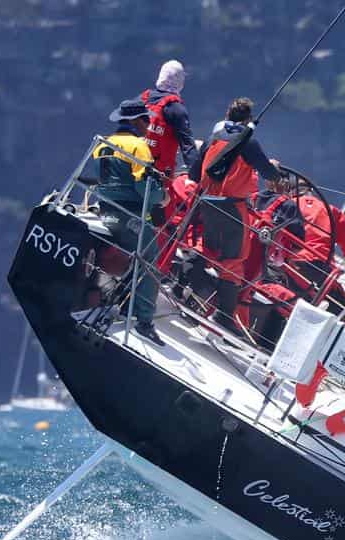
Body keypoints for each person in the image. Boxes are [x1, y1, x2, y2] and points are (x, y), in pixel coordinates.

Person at [199, 97, 282, 333]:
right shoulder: (248, 143)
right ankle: (223, 317)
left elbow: (197, 170)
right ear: (247, 120)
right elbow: (269, 174)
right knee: (234, 262)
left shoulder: (213, 138)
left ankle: (184, 289)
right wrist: (274, 167)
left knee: (210, 251)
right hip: (232, 208)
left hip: (207, 203)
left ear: (227, 115)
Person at [94, 98, 166, 346]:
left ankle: (124, 306)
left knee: (133, 255)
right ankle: (144, 323)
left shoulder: (103, 144)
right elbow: (144, 188)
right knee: (149, 259)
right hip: (128, 216)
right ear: (135, 121)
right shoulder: (138, 146)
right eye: (146, 119)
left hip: (106, 213)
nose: (149, 124)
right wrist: (162, 194)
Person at [140, 60, 200, 176]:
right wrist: (196, 176)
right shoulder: (176, 109)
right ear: (179, 82)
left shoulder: (142, 100)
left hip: (134, 167)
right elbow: (187, 145)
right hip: (157, 175)